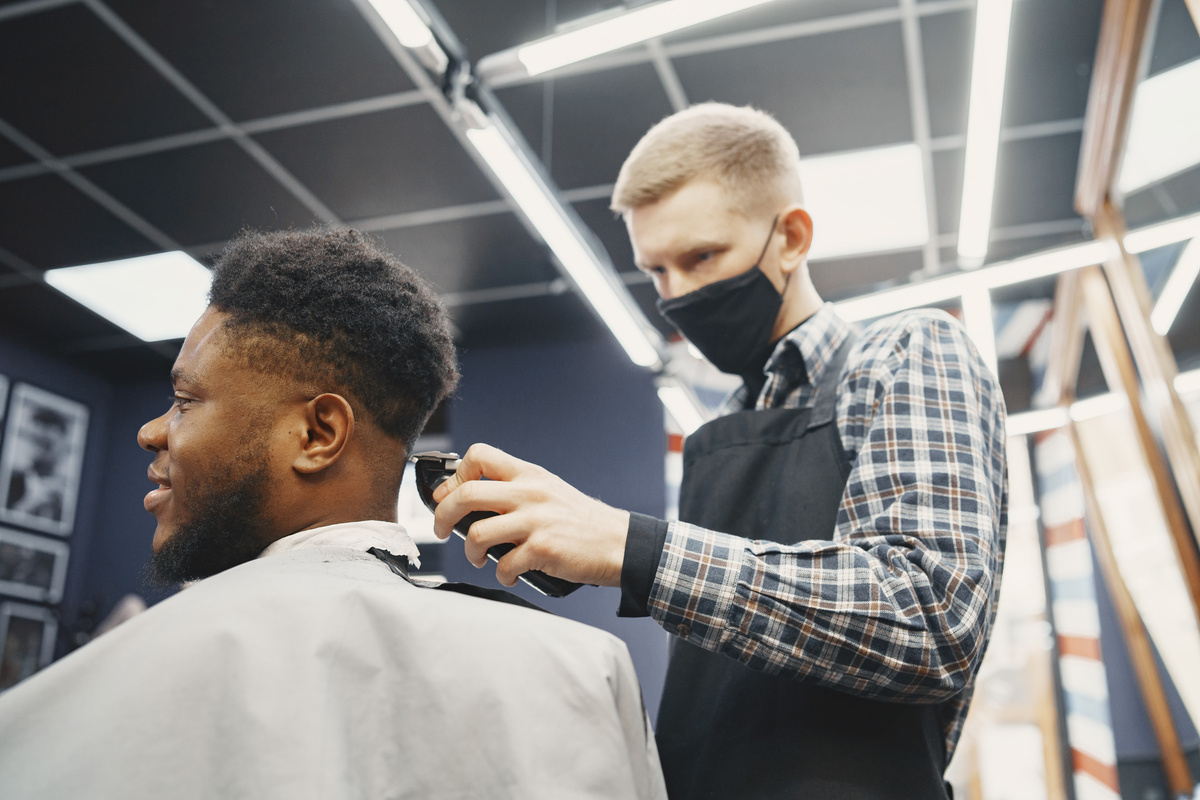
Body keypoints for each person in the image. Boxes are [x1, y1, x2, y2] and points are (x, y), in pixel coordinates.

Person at [432, 104, 1008, 798]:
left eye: (701, 257)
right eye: (658, 272)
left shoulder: (905, 355)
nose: (677, 295)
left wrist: (634, 549)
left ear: (790, 237)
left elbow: (930, 617)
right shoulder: (721, 431)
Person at [0, 228, 666, 800]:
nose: (151, 431)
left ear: (318, 434)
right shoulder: (582, 667)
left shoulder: (125, 679)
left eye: (183, 400)